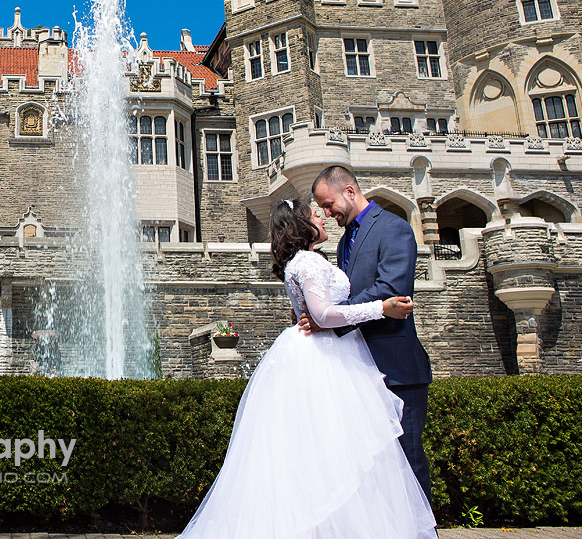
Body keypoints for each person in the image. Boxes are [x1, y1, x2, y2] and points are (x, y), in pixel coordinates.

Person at [176, 199, 437, 539]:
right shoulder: (310, 262)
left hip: (325, 352)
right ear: (302, 226)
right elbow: (324, 315)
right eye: (317, 214)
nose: (324, 216)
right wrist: (381, 308)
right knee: (338, 450)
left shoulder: (305, 260)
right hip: (326, 358)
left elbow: (313, 313)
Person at [309, 164, 434, 502]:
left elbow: (391, 287)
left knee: (407, 459)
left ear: (350, 191)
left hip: (397, 368)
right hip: (360, 371)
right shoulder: (345, 241)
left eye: (328, 204)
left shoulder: (394, 228)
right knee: (373, 467)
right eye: (322, 208)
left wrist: (333, 318)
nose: (326, 212)